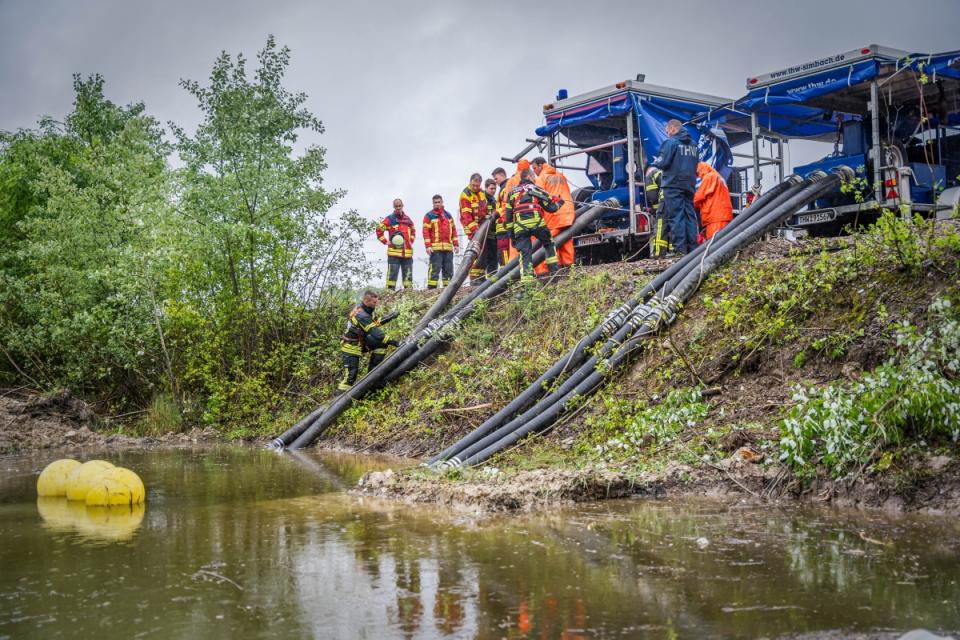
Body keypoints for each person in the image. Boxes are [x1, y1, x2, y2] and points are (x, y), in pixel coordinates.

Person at [646, 119, 698, 255]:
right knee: (689, 217)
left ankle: (679, 250)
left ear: (673, 128)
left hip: (673, 185)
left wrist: (653, 165)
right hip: (690, 185)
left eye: (667, 130)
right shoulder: (693, 145)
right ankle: (692, 249)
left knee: (677, 217)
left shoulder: (671, 143)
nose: (667, 133)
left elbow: (663, 162)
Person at [504, 168, 562, 281]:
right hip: (538, 225)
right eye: (534, 177)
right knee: (549, 244)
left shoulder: (512, 194)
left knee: (525, 254)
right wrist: (560, 203)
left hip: (520, 228)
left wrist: (512, 236)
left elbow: (508, 218)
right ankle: (554, 274)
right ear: (529, 177)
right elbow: (551, 208)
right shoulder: (536, 190)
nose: (535, 179)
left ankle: (527, 283)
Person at [338, 290, 400, 391]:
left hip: (360, 343)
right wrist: (396, 343)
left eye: (377, 302)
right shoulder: (361, 315)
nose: (376, 304)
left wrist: (391, 316)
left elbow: (373, 323)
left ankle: (372, 376)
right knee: (350, 377)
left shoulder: (363, 309)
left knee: (380, 345)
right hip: (350, 347)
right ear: (366, 301)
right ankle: (338, 402)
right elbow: (377, 334)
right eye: (374, 303)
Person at [531, 156, 575, 272]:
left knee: (548, 242)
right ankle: (569, 266)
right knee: (566, 239)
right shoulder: (560, 175)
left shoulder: (541, 178)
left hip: (554, 214)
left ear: (540, 166)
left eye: (534, 168)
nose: (534, 172)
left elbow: (538, 198)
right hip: (568, 212)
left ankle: (549, 270)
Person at [459, 173, 497, 284]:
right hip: (473, 230)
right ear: (470, 182)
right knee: (476, 252)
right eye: (473, 185)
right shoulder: (465, 195)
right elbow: (466, 217)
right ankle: (474, 279)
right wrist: (476, 231)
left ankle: (480, 277)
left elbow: (484, 210)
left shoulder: (481, 193)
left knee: (484, 253)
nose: (475, 188)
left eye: (477, 185)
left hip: (482, 227)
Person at [375, 199, 416, 290]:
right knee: (392, 276)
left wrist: (411, 241)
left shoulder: (408, 219)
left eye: (399, 206)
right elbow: (379, 230)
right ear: (393, 207)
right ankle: (390, 293)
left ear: (402, 206)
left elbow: (413, 230)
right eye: (396, 206)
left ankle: (408, 293)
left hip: (407, 253)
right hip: (394, 253)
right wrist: (385, 241)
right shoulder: (389, 219)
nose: (398, 208)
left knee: (408, 276)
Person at [422, 195, 460, 289]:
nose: (437, 204)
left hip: (448, 248)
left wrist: (456, 245)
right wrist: (428, 246)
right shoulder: (429, 216)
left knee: (448, 270)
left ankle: (448, 288)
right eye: (435, 202)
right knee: (435, 269)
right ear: (433, 203)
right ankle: (431, 288)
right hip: (435, 249)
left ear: (442, 202)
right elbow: (425, 232)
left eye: (439, 202)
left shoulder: (448, 215)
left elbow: (454, 230)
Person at [694, 162, 734, 240]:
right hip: (723, 216)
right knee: (723, 243)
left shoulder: (709, 177)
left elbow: (698, 197)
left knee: (715, 245)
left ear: (701, 170)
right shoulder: (718, 177)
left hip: (716, 218)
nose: (698, 176)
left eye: (698, 173)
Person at [491, 168, 512, 267]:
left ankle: (508, 279)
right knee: (502, 255)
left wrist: (497, 213)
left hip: (504, 228)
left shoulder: (505, 188)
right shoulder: (503, 188)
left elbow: (505, 205)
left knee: (504, 255)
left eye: (496, 178)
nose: (495, 181)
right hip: (502, 229)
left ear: (502, 175)